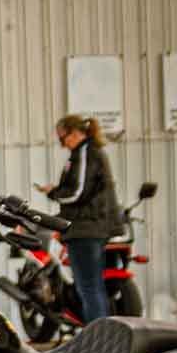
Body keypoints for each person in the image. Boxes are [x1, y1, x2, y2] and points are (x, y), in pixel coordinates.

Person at [36, 114, 123, 324]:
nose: (62, 143)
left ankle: (98, 335)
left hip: (85, 229)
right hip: (88, 227)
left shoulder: (86, 153)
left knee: (89, 287)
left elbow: (78, 192)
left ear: (74, 133)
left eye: (62, 137)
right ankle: (102, 333)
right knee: (93, 286)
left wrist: (54, 193)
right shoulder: (85, 153)